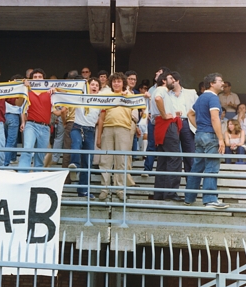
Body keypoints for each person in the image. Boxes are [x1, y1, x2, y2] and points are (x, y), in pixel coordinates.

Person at [184, 73, 228, 209]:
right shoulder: (213, 98)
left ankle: (189, 198)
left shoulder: (201, 97)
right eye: (220, 81)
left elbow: (190, 114)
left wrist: (200, 127)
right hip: (210, 135)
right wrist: (221, 139)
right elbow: (215, 118)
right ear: (212, 83)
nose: (223, 83)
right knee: (212, 167)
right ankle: (210, 200)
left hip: (200, 135)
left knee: (197, 167)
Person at [96, 72, 138, 200]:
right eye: (114, 81)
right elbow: (101, 118)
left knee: (121, 161)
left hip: (124, 129)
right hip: (107, 129)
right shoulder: (107, 96)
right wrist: (99, 136)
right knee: (105, 160)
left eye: (119, 81)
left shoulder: (130, 96)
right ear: (111, 83)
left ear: (123, 83)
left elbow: (140, 108)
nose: (116, 83)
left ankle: (120, 189)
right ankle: (104, 189)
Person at [18, 68, 61, 172]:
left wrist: (56, 92)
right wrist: (24, 88)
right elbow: (19, 105)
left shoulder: (50, 92)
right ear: (31, 79)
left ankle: (37, 176)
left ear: (44, 79)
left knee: (41, 154)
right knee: (27, 149)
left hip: (45, 127)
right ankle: (22, 174)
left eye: (40, 77)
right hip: (31, 125)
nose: (37, 79)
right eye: (35, 77)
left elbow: (59, 109)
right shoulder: (27, 91)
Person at [151, 71, 183, 201]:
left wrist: (172, 113)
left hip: (161, 126)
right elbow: (158, 99)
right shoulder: (161, 90)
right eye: (171, 78)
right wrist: (164, 115)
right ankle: (170, 193)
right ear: (164, 80)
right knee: (175, 159)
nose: (173, 81)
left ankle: (160, 194)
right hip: (167, 126)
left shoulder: (162, 92)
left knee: (163, 161)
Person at [68, 77, 101, 199]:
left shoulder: (102, 100)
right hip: (78, 127)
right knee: (76, 143)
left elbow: (116, 98)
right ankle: (74, 165)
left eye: (96, 85)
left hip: (90, 131)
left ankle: (83, 191)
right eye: (92, 84)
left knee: (88, 162)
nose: (94, 86)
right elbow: (65, 94)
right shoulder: (79, 97)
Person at [141, 66, 170, 177]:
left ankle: (164, 171)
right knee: (151, 145)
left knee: (165, 146)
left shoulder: (168, 89)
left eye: (159, 73)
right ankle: (147, 169)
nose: (156, 73)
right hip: (153, 120)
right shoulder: (151, 89)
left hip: (165, 121)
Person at [169, 71, 198, 174]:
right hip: (172, 123)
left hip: (186, 123)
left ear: (176, 80)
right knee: (173, 154)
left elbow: (198, 108)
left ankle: (191, 184)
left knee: (190, 153)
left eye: (170, 80)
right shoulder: (166, 94)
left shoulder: (191, 92)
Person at [4, 74, 23, 166]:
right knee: (11, 140)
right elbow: (22, 108)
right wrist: (23, 122)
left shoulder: (6, 89)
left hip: (3, 116)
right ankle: (6, 162)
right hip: (14, 116)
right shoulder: (21, 91)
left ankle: (12, 158)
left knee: (6, 140)